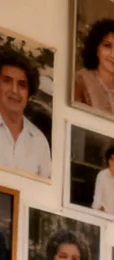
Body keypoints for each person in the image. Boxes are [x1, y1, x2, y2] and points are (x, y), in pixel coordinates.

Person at [0, 46, 52, 178]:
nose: (15, 91)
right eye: (7, 81)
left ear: (29, 94)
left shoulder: (39, 142)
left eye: (22, 85)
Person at [90, 147, 114, 216]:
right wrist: (101, 211)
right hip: (100, 211)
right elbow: (98, 196)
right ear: (108, 161)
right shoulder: (102, 175)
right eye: (112, 160)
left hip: (113, 214)